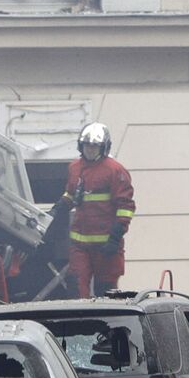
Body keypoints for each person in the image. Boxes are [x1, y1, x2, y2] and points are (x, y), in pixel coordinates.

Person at [61, 122, 136, 297]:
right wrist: (60, 206)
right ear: (81, 146)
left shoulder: (115, 170)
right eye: (87, 145)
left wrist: (115, 237)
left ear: (103, 147)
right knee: (77, 288)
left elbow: (125, 207)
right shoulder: (75, 167)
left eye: (95, 146)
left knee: (106, 292)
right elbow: (72, 193)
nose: (90, 150)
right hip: (80, 245)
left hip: (107, 245)